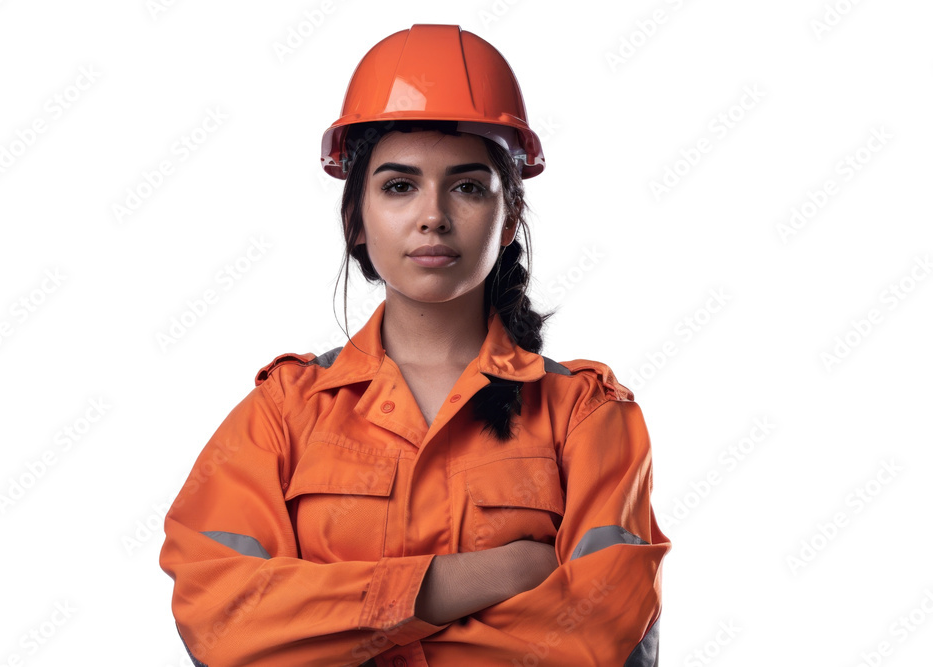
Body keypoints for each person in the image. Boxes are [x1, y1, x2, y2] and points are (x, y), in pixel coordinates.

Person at [159, 23, 670, 667]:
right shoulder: (283, 413)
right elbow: (222, 620)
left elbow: (594, 637)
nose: (433, 214)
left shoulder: (589, 416)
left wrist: (330, 631)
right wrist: (488, 575)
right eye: (399, 185)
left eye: (467, 185)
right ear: (357, 217)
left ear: (509, 216)